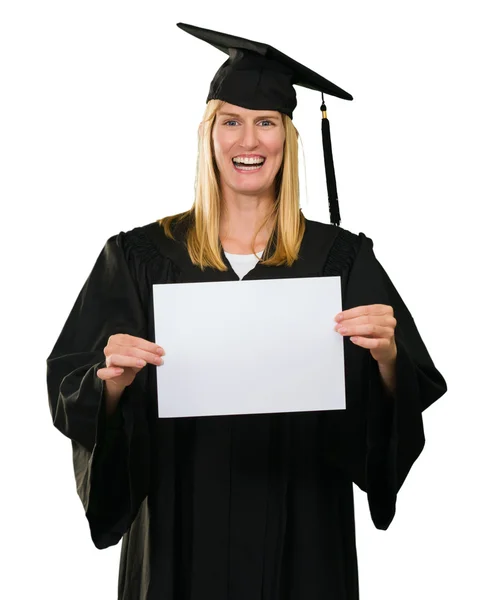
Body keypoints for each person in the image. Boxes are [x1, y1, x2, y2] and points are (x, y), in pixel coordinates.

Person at [46, 22, 447, 600]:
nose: (248, 141)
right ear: (208, 135)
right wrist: (108, 384)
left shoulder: (340, 259)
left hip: (304, 535)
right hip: (178, 535)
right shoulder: (138, 257)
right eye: (230, 121)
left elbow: (399, 406)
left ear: (288, 137)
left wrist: (386, 358)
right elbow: (70, 388)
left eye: (265, 123)